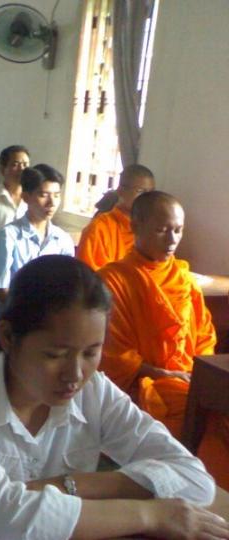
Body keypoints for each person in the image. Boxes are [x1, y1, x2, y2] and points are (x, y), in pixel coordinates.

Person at [0, 255, 224, 540]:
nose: (75, 374)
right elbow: (3, 517)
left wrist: (70, 484)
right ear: (9, 337)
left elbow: (196, 481)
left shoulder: (95, 392)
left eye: (91, 353)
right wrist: (150, 514)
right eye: (55, 354)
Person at [98, 191, 229, 488]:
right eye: (162, 229)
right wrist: (163, 373)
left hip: (189, 377)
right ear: (136, 226)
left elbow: (204, 335)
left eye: (178, 230)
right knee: (214, 420)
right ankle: (207, 490)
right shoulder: (113, 280)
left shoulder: (183, 278)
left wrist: (201, 375)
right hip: (145, 382)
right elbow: (113, 354)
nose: (171, 239)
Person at [0, 164, 74, 304]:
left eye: (56, 196)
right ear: (25, 197)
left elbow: (67, 284)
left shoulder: (62, 239)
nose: (51, 203)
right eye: (43, 195)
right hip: (15, 313)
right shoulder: (7, 237)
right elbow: (0, 288)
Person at [77, 164, 155, 271]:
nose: (147, 198)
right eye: (141, 191)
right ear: (121, 190)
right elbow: (90, 277)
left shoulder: (152, 228)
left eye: (151, 192)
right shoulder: (99, 229)